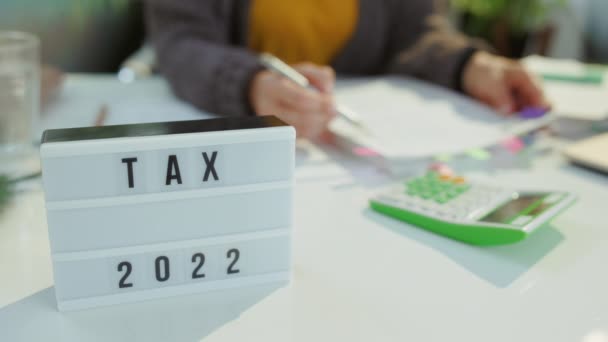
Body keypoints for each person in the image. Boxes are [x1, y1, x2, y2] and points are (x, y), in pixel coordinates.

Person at [146, 0, 548, 140]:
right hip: (243, 150)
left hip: (360, 170)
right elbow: (180, 42)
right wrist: (251, 85)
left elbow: (416, 33)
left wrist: (470, 65)